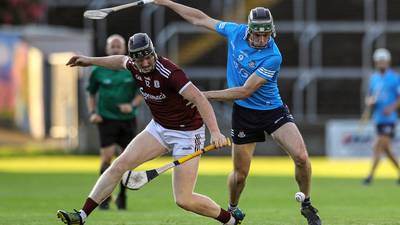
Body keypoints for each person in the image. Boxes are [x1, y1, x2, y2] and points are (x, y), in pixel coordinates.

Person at [153, 1, 321, 224]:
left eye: (267, 35)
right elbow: (199, 18)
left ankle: (307, 204)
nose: (262, 40)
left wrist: (204, 95)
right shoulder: (235, 32)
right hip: (244, 115)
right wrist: (168, 2)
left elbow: (245, 91)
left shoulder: (273, 55)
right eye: (258, 35)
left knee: (301, 156)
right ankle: (233, 208)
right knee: (240, 175)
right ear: (249, 30)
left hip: (272, 110)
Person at [57, 33, 240, 225]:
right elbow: (119, 60)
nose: (144, 63)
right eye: (139, 59)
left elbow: (199, 98)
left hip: (188, 134)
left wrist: (216, 132)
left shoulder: (170, 72)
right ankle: (81, 216)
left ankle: (230, 220)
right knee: (119, 166)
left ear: (153, 52)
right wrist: (89, 61)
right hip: (159, 128)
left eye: (147, 57)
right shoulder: (133, 65)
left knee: (184, 200)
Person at [86, 34, 142, 210]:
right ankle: (104, 198)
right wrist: (93, 112)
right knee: (107, 158)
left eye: (119, 46)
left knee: (126, 160)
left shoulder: (132, 69)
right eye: (113, 46)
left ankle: (122, 196)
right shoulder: (97, 71)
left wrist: (131, 105)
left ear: (124, 49)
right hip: (107, 119)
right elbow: (92, 93)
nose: (116, 49)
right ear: (107, 49)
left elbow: (141, 93)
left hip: (127, 120)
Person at [363, 48, 400, 185]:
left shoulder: (395, 78)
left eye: (383, 61)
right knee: (386, 149)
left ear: (388, 62)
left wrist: (391, 108)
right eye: (379, 61)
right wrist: (369, 101)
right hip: (378, 118)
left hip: (389, 119)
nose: (381, 64)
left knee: (378, 145)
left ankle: (370, 176)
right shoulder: (374, 78)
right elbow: (370, 96)